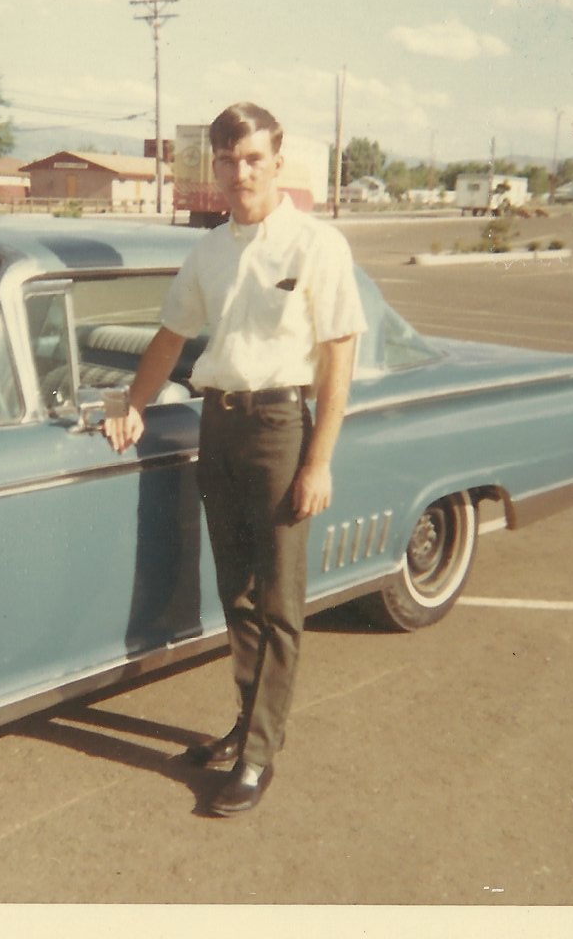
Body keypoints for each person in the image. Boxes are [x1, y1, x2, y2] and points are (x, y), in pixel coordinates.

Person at [105, 101, 366, 816]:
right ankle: (247, 725)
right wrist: (132, 403)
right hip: (217, 428)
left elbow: (339, 351)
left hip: (281, 428)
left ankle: (259, 756)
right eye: (228, 160)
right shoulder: (210, 250)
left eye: (253, 158)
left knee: (279, 600)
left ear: (278, 163)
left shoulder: (316, 246)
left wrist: (319, 461)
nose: (240, 171)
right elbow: (169, 337)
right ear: (214, 166)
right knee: (237, 595)